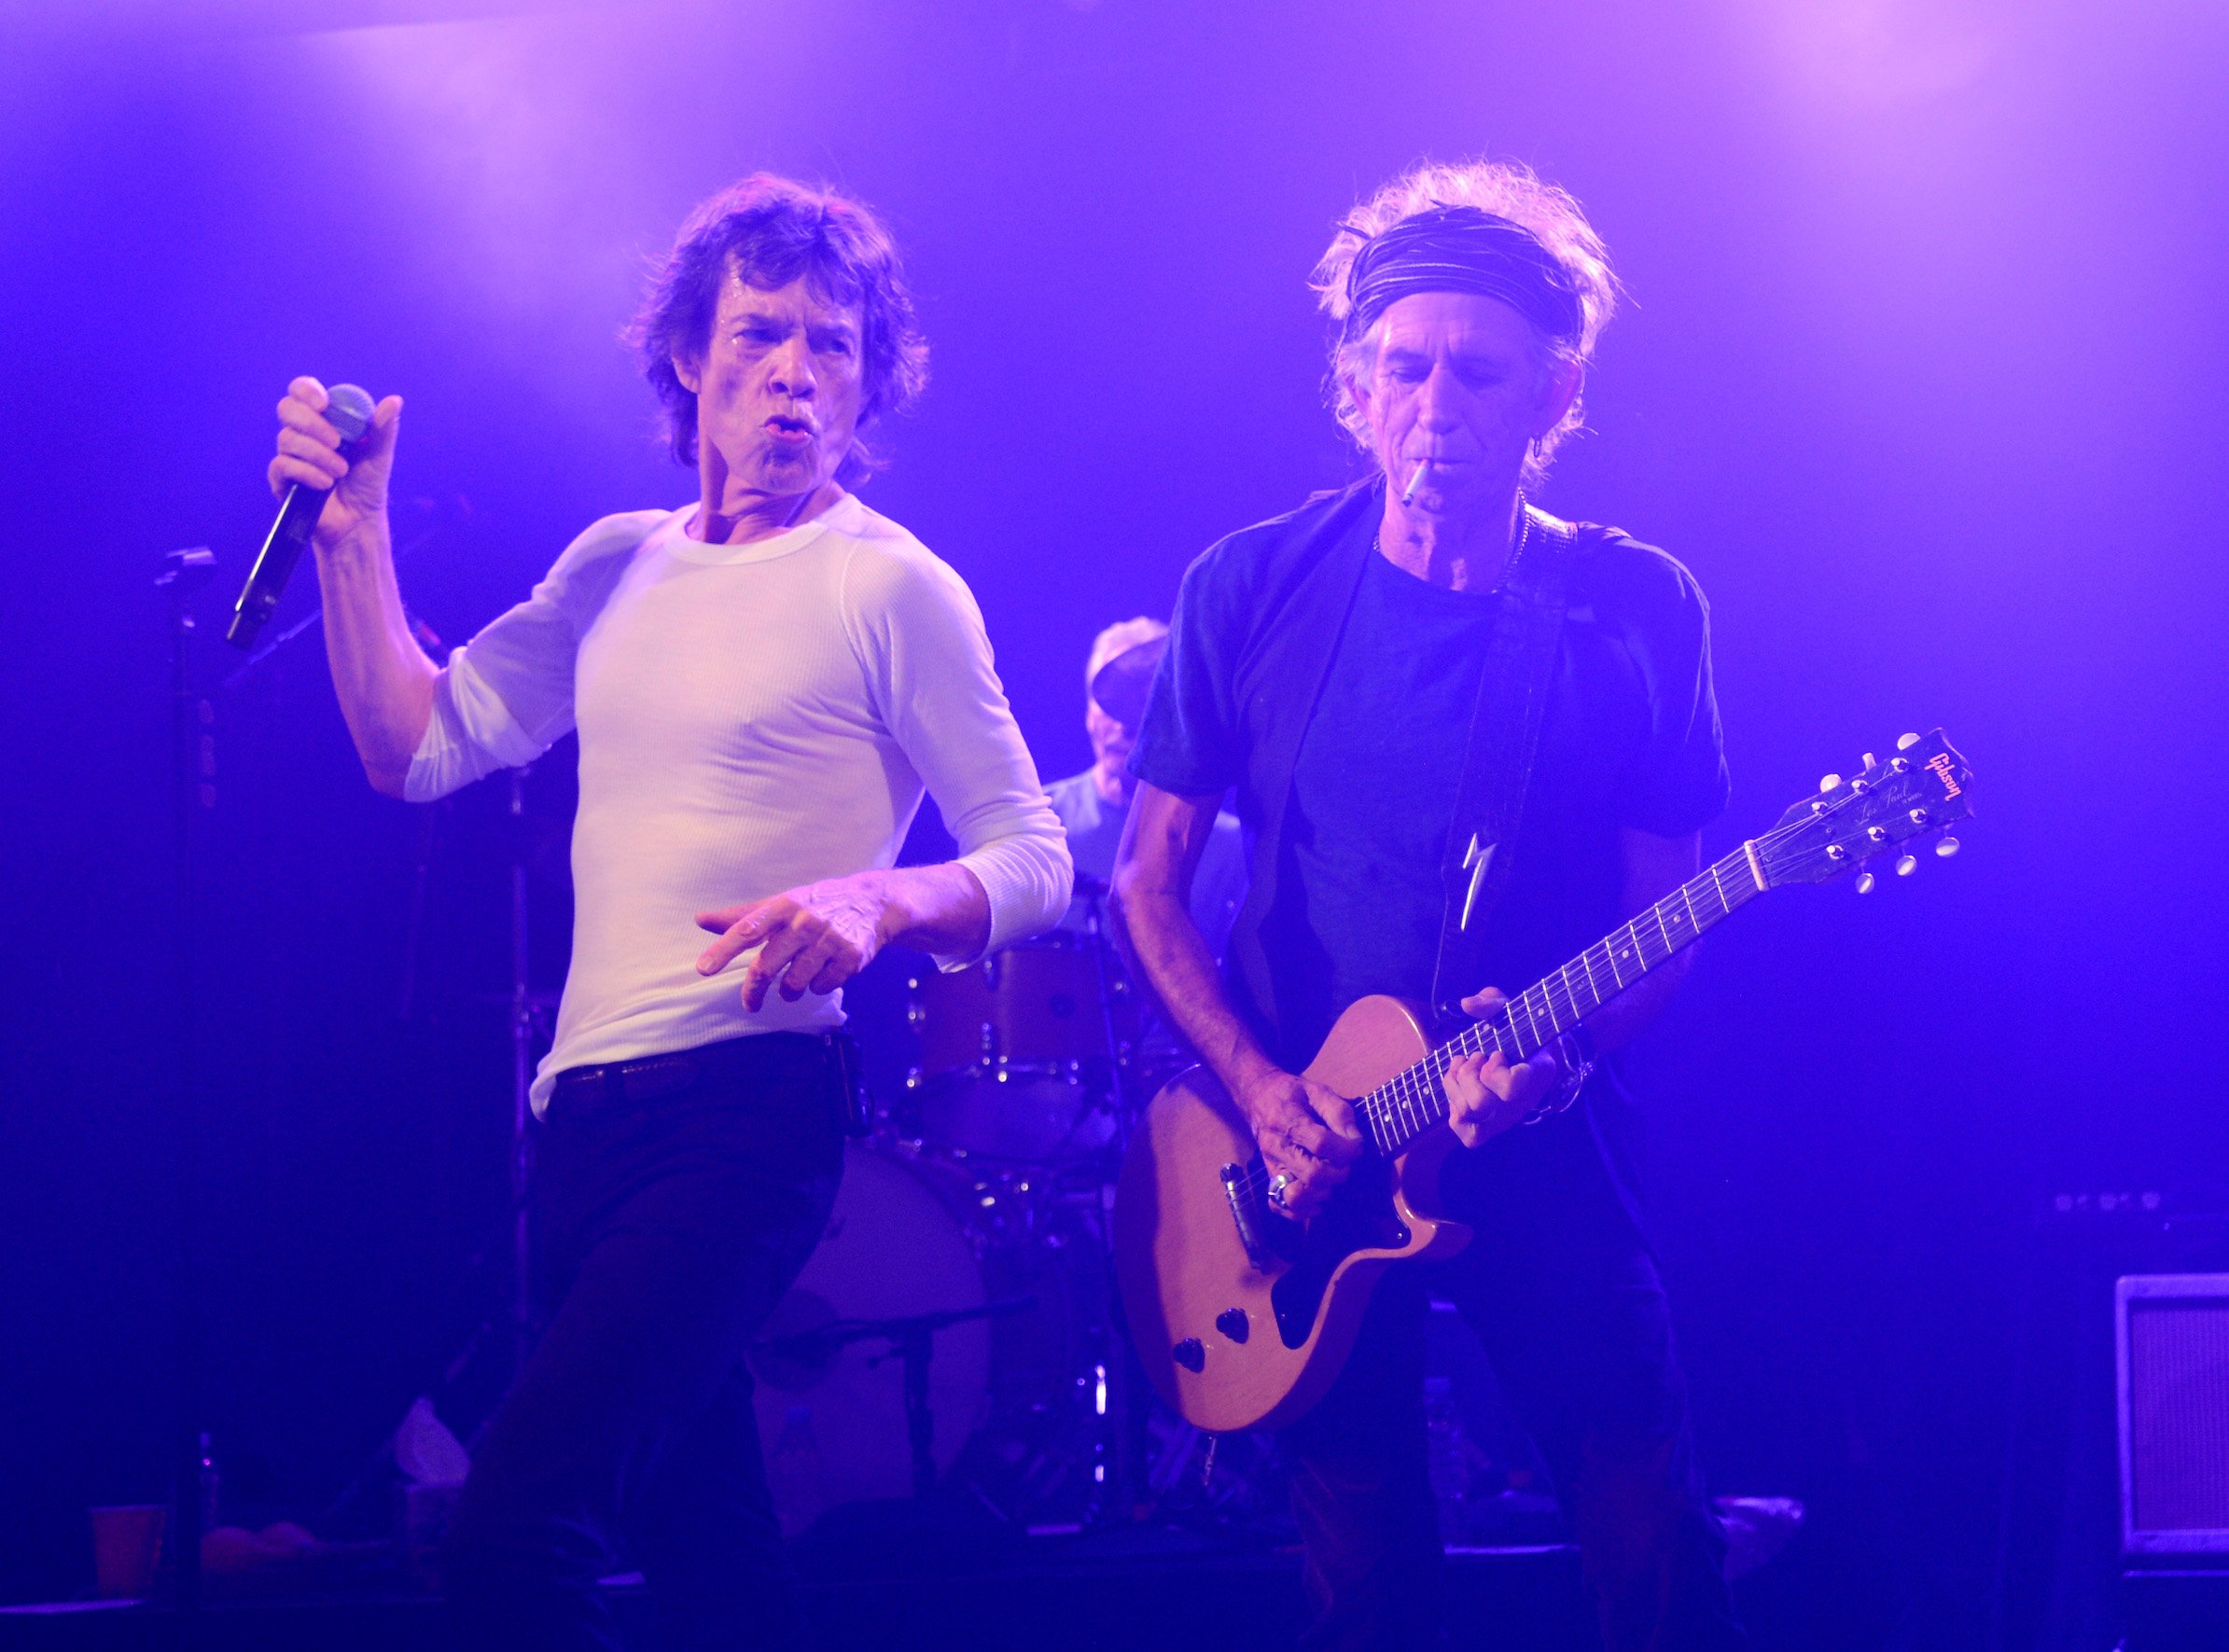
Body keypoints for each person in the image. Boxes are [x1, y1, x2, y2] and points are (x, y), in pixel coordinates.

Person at [268, 174, 1070, 1650]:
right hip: (584, 1117)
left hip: (745, 1110)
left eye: (832, 346)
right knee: (711, 1556)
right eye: (761, 334)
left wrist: (878, 896)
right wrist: (352, 535)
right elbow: (414, 744)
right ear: (690, 359)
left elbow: (1032, 854)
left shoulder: (892, 586)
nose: (794, 370)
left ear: (866, 381)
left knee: (514, 1525)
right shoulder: (612, 561)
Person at [1112, 159, 1744, 1650]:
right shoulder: (1250, 585)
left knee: (1650, 1538)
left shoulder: (1638, 607)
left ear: (1557, 394)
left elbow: (1675, 918)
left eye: (1478, 371)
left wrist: (1558, 1059)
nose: (1434, 404)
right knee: (1365, 1574)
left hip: (1535, 1127)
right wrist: (1257, 1085)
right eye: (1402, 367)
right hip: (1304, 1155)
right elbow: (1145, 880)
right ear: (1351, 386)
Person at [1045, 616, 1247, 955]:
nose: (1122, 724)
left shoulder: (1231, 846)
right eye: (1107, 701)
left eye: (1140, 701)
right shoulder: (1042, 822)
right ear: (1087, 714)